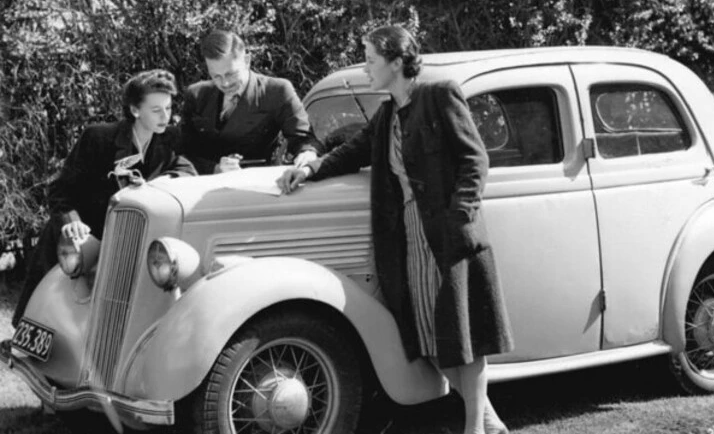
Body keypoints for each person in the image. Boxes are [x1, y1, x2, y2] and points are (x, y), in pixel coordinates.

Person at [278, 25, 513, 434]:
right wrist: (310, 168)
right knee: (428, 338)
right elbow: (353, 151)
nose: (365, 68)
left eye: (371, 60)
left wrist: (460, 216)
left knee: (464, 338)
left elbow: (475, 160)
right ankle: (491, 422)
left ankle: (476, 428)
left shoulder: (439, 95)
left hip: (448, 236)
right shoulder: (387, 112)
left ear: (397, 61)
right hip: (409, 238)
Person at [13, 69, 196, 327]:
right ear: (134, 110)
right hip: (80, 236)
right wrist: (70, 221)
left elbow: (187, 171)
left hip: (127, 240)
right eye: (156, 110)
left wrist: (154, 186)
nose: (165, 117)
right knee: (45, 319)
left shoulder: (171, 139)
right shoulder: (98, 137)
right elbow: (60, 190)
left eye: (168, 108)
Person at [181, 30, 321, 174]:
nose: (225, 83)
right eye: (216, 76)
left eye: (231, 74)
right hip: (203, 185)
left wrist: (307, 154)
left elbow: (303, 139)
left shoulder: (276, 91)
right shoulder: (197, 95)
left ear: (247, 60)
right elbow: (182, 153)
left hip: (257, 186)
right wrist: (214, 168)